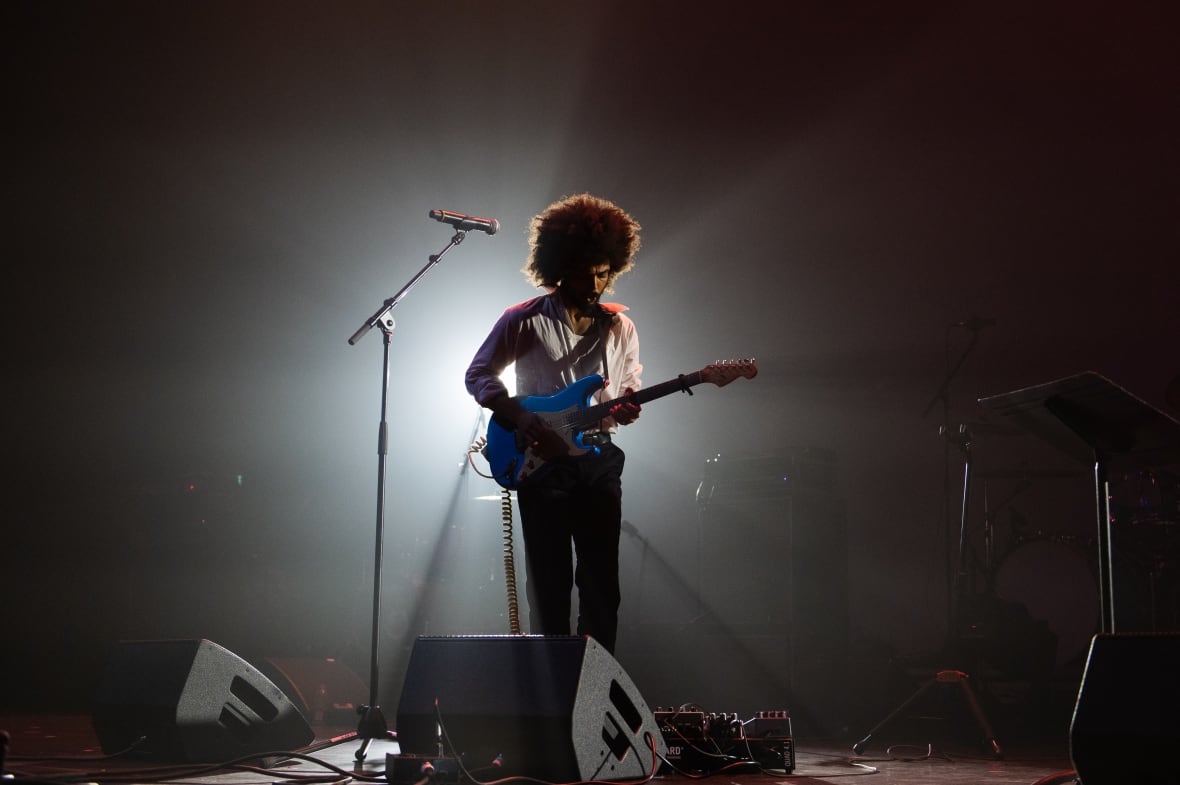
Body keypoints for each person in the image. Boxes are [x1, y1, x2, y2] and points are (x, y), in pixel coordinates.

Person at [465, 193, 643, 654]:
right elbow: (478, 374)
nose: (596, 282)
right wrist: (521, 417)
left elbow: (626, 386)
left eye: (604, 272)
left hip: (598, 460)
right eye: (586, 271)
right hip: (542, 463)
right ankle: (549, 694)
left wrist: (625, 404)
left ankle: (595, 692)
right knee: (549, 586)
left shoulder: (620, 327)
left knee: (602, 585)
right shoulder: (522, 320)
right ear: (561, 265)